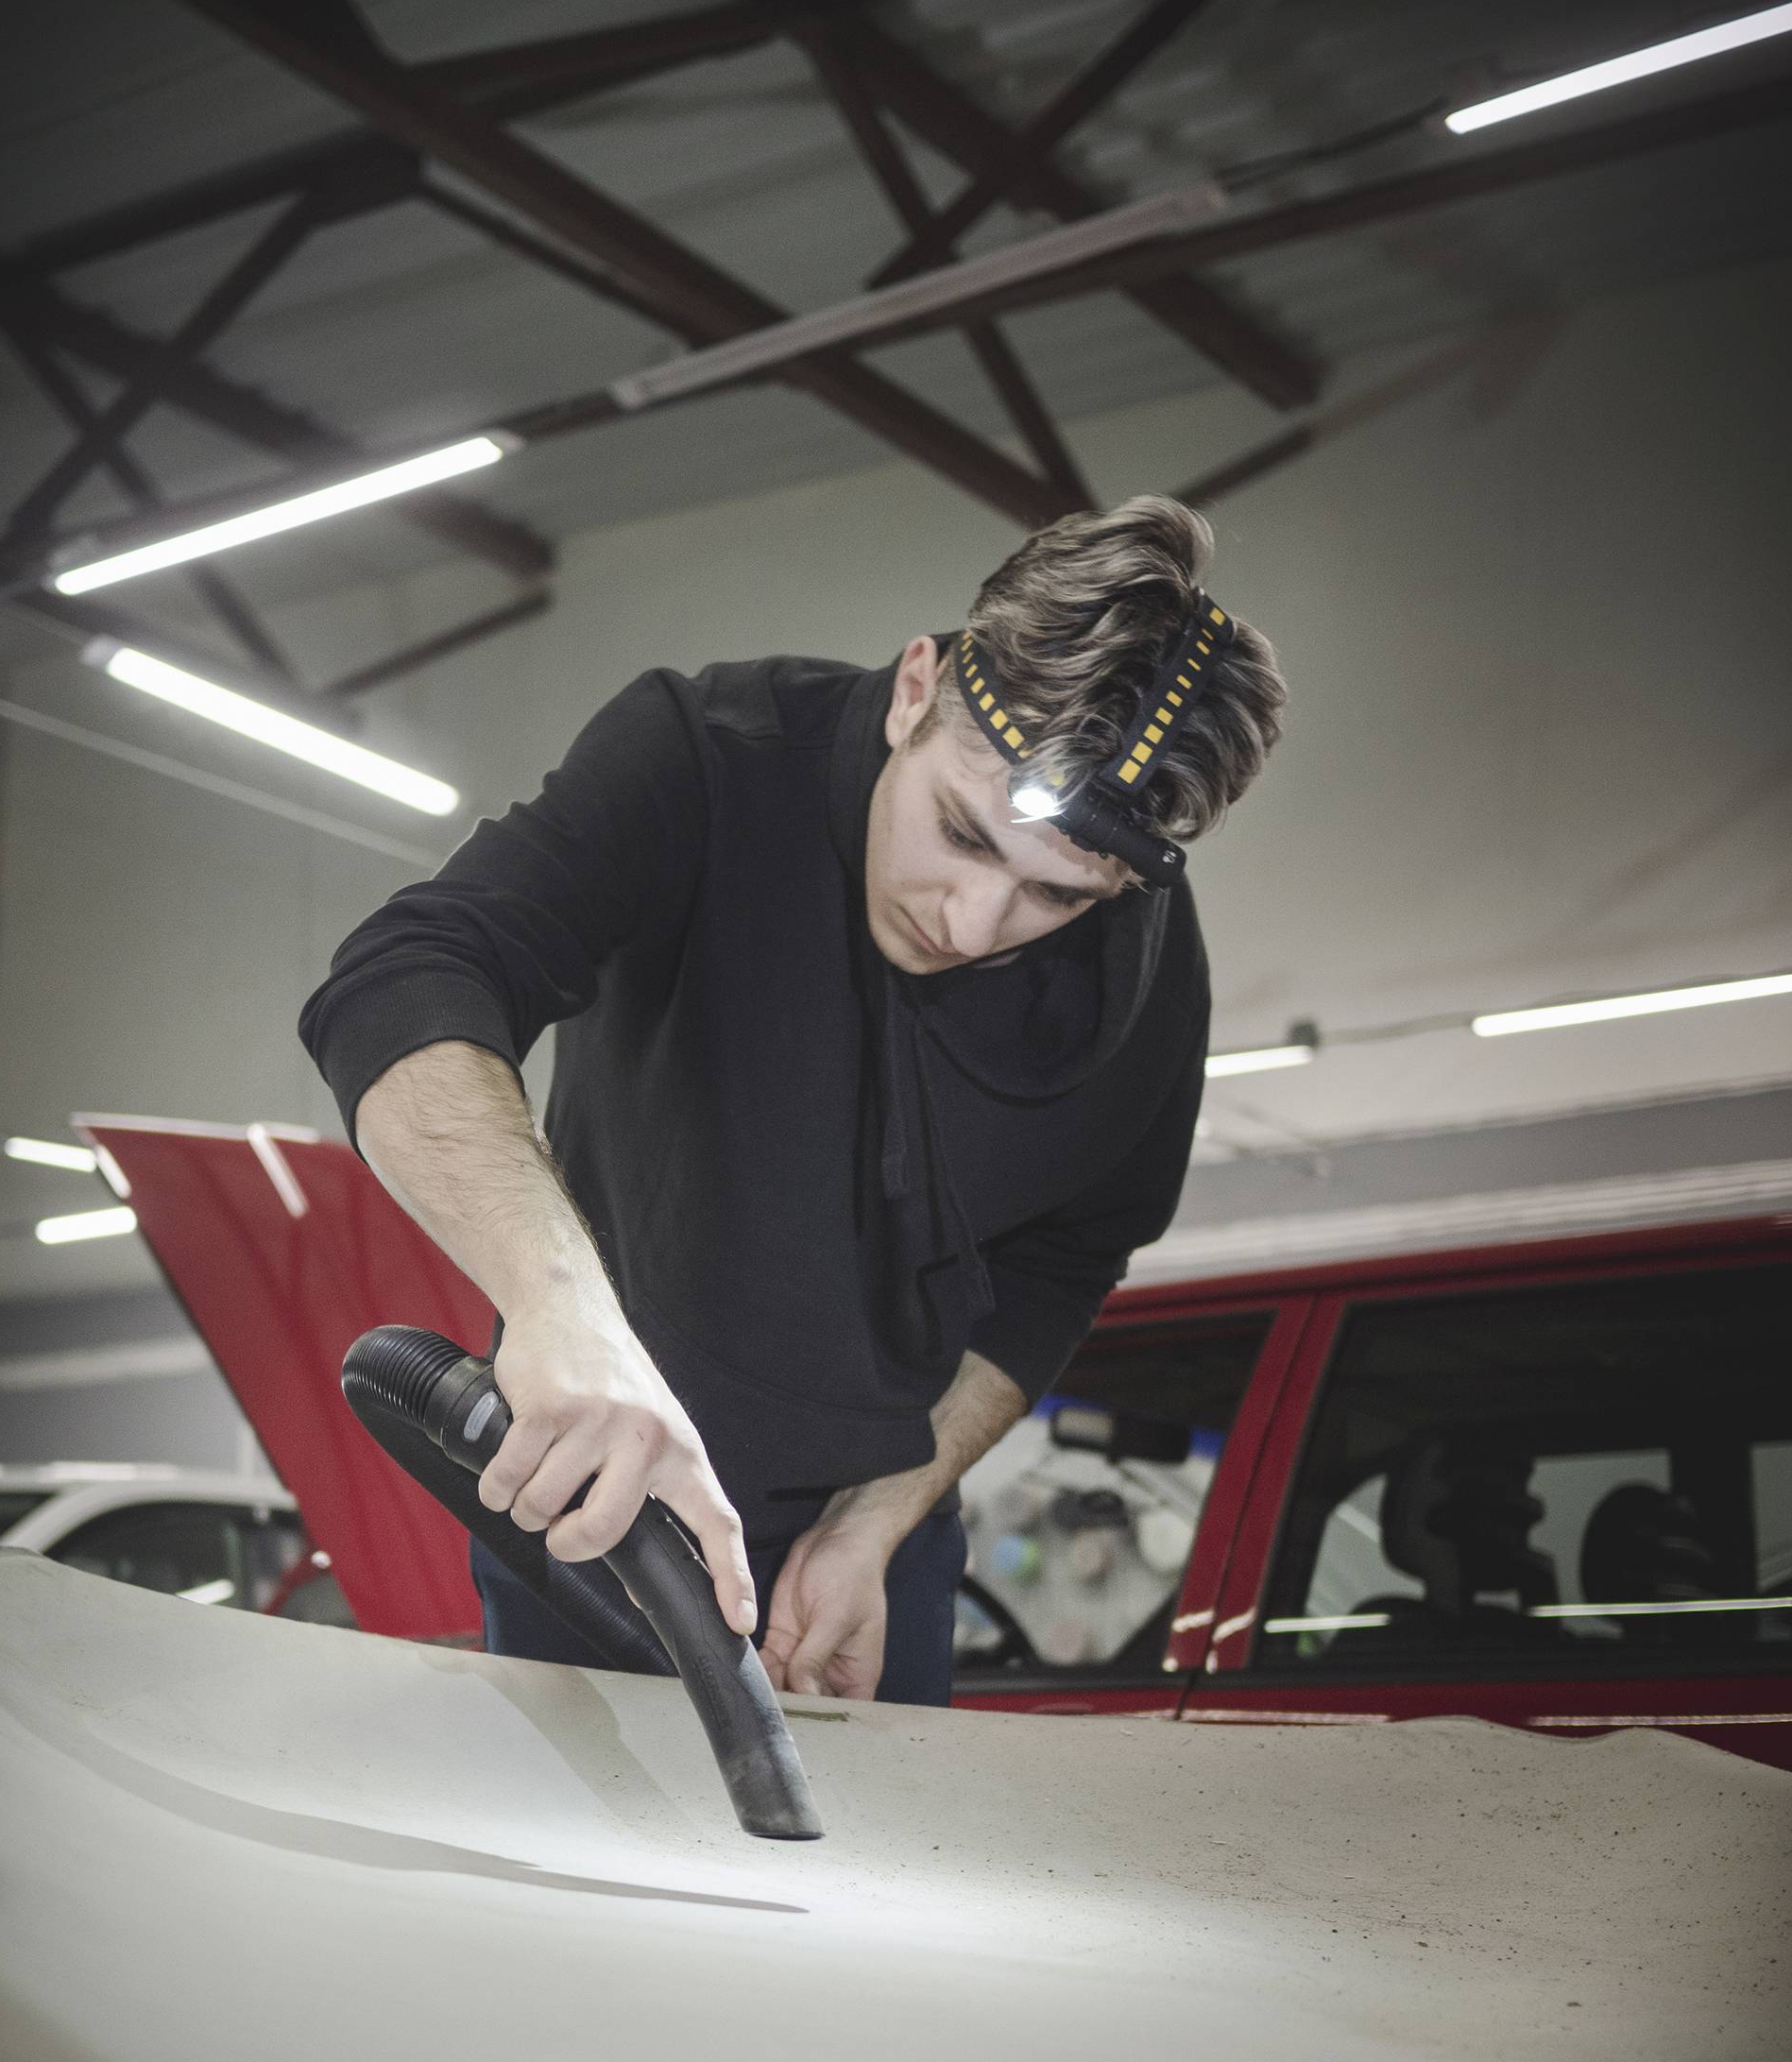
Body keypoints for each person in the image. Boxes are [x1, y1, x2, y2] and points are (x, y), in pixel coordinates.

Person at [300, 496, 1285, 1702]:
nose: (974, 924)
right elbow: (406, 975)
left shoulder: (1141, 963)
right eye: (963, 834)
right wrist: (561, 1308)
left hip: (867, 1554)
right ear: (916, 690)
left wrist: (879, 1517)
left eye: (1056, 896)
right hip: (592, 1508)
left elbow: (1065, 1260)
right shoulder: (711, 759)